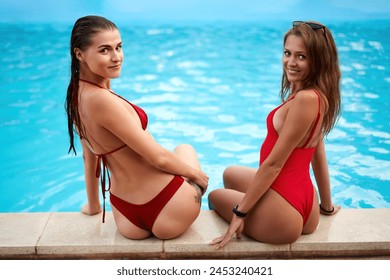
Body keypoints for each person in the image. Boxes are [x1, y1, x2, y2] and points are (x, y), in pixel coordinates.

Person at [65, 15, 208, 240]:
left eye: (119, 47)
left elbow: (89, 157)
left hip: (127, 218)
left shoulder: (75, 97)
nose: (116, 57)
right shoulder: (103, 101)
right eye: (104, 50)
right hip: (170, 205)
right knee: (185, 148)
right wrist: (197, 176)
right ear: (79, 54)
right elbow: (157, 158)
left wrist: (93, 206)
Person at [209, 21, 341, 248]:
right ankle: (266, 207)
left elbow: (273, 165)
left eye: (302, 56)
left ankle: (258, 214)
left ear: (318, 60)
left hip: (284, 216)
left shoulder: (304, 99)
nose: (291, 62)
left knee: (214, 196)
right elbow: (317, 153)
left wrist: (240, 214)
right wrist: (326, 206)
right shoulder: (318, 96)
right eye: (288, 53)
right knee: (230, 174)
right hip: (306, 204)